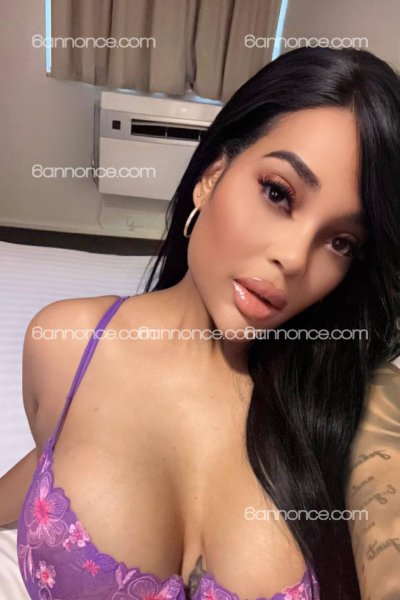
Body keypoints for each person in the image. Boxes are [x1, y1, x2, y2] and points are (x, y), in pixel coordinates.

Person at [1, 45, 399, 600]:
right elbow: (58, 450)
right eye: (278, 193)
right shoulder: (64, 344)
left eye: (341, 242)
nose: (293, 258)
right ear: (212, 176)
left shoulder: (345, 415)